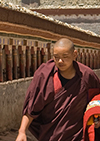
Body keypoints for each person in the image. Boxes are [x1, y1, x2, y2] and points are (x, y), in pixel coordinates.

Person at [15, 38, 100, 141]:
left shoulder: (87, 76)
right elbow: (32, 108)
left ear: (75, 55)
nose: (60, 61)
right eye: (56, 57)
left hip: (76, 135)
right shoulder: (44, 75)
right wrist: (22, 131)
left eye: (65, 57)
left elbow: (96, 100)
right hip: (50, 135)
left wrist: (96, 118)